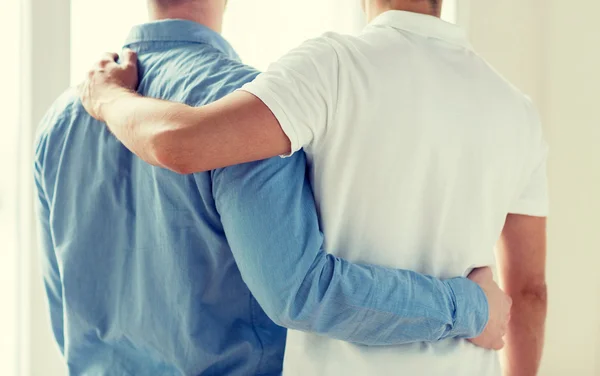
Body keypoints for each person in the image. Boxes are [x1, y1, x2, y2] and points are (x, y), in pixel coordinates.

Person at [35, 0, 511, 375]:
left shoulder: (60, 120)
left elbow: (65, 313)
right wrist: (471, 307)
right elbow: (301, 292)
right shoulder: (246, 112)